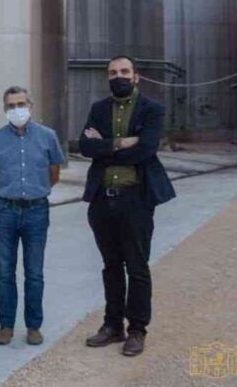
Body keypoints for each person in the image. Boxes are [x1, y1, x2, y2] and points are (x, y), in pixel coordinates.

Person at [80, 55, 176, 357]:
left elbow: (145, 151)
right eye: (112, 72)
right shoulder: (98, 109)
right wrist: (121, 142)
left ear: (136, 77)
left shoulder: (152, 110)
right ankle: (112, 326)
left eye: (124, 71)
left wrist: (105, 145)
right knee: (110, 266)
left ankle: (137, 329)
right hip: (101, 200)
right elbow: (84, 147)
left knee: (137, 267)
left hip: (136, 199)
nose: (118, 76)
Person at [0, 86, 65, 347]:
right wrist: (9, 192)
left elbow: (54, 173)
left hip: (37, 211)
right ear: (4, 109)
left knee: (34, 272)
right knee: (5, 272)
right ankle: (6, 325)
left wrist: (36, 193)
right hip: (4, 211)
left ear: (31, 105)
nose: (16, 109)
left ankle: (33, 326)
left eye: (21, 104)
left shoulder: (48, 136)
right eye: (11, 105)